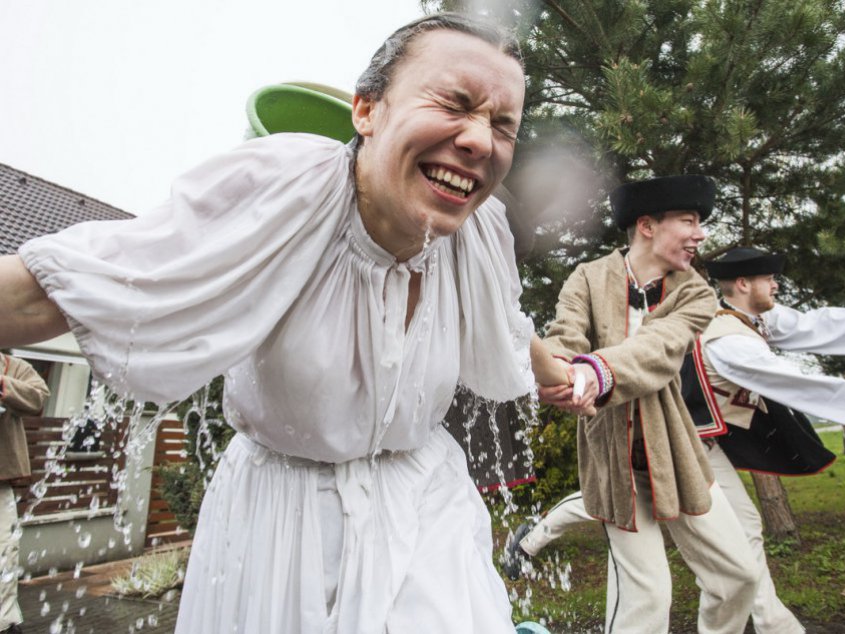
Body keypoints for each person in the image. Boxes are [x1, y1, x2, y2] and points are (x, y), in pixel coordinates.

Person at [0, 14, 573, 634]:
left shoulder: (479, 232)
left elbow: (509, 325)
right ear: (366, 110)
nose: (480, 141)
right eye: (454, 104)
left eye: (502, 125)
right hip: (281, 524)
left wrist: (565, 377)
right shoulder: (285, 191)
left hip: (426, 507)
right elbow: (50, 294)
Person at [510, 247, 845, 634]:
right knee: (619, 509)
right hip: (680, 442)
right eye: (769, 279)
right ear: (742, 284)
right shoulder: (726, 338)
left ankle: (773, 623)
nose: (776, 286)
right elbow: (788, 380)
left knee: (729, 542)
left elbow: (801, 323)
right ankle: (534, 535)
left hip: (704, 445)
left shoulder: (747, 321)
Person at [527, 175, 758, 634]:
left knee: (740, 577)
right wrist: (557, 371)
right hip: (615, 464)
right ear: (648, 226)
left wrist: (593, 372)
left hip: (678, 457)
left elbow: (659, 349)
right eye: (689, 221)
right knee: (647, 600)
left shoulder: (695, 293)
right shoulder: (587, 278)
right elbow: (566, 335)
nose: (701, 233)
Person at [0, 352, 50, 634]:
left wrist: (3, 385)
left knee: (4, 551)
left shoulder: (13, 366)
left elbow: (38, 395)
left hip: (0, 481)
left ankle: (5, 623)